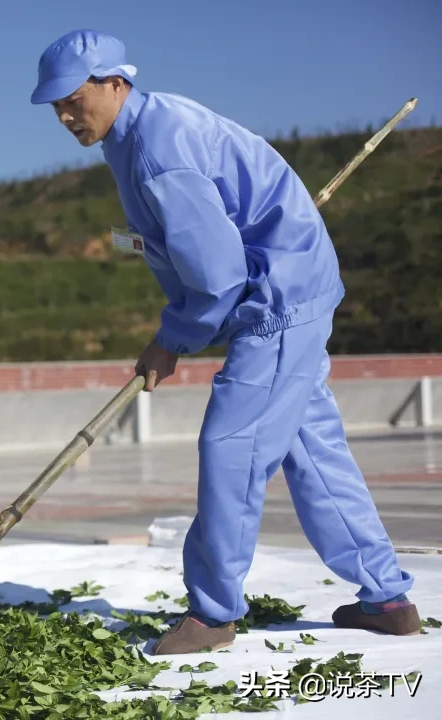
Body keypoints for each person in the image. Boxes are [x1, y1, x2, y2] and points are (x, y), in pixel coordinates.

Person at [29, 29, 420, 654]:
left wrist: (172, 339)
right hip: (284, 287)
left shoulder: (158, 150)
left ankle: (212, 615)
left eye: (73, 98)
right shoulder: (134, 136)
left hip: (277, 299)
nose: (64, 114)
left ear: (114, 82)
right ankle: (387, 598)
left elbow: (216, 277)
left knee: (231, 446)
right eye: (55, 106)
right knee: (312, 450)